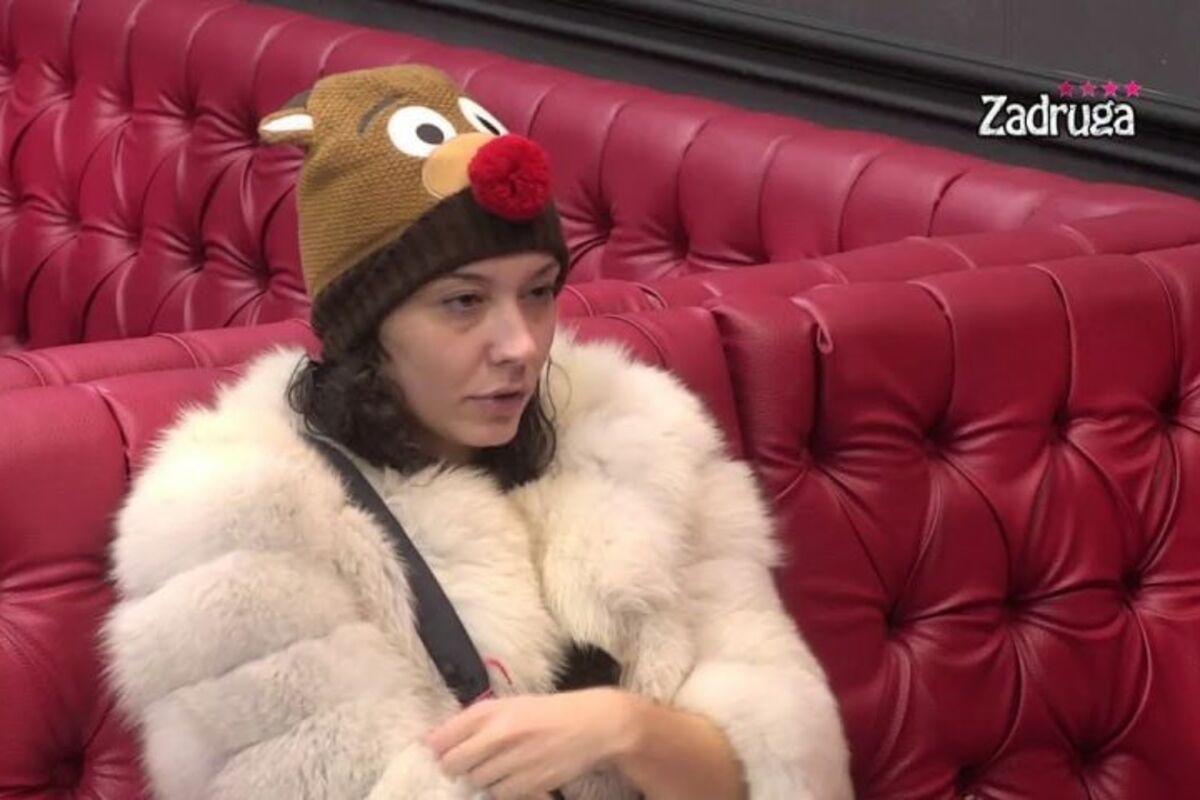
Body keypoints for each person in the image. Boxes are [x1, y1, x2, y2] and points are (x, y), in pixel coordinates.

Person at [101, 64, 851, 800]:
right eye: (463, 302)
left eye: (539, 292)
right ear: (365, 327)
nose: (520, 345)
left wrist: (628, 730)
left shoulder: (638, 439)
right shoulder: (238, 522)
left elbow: (787, 756)